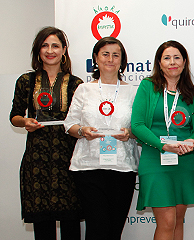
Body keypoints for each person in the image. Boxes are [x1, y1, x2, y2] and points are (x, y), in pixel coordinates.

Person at [9, 26, 83, 240]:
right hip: (37, 161)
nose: (50, 50)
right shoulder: (26, 81)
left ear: (64, 50)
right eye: (45, 45)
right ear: (38, 50)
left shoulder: (77, 84)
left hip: (68, 160)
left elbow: (81, 121)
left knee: (70, 225)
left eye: (55, 46)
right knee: (43, 226)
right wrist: (25, 122)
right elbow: (14, 116)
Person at [131, 40, 194, 240]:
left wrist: (192, 141)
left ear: (184, 62)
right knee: (166, 223)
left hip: (183, 161)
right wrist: (163, 145)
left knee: (177, 223)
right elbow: (137, 125)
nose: (172, 62)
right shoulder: (148, 87)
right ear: (159, 62)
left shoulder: (193, 94)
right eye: (167, 58)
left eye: (177, 57)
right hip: (155, 159)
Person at [63, 37, 139, 240]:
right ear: (96, 58)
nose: (111, 59)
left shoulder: (133, 91)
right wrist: (82, 131)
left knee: (114, 230)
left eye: (116, 55)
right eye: (105, 53)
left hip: (122, 167)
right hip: (88, 168)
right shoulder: (83, 89)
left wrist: (129, 134)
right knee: (97, 228)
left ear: (123, 60)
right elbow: (69, 124)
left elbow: (139, 128)